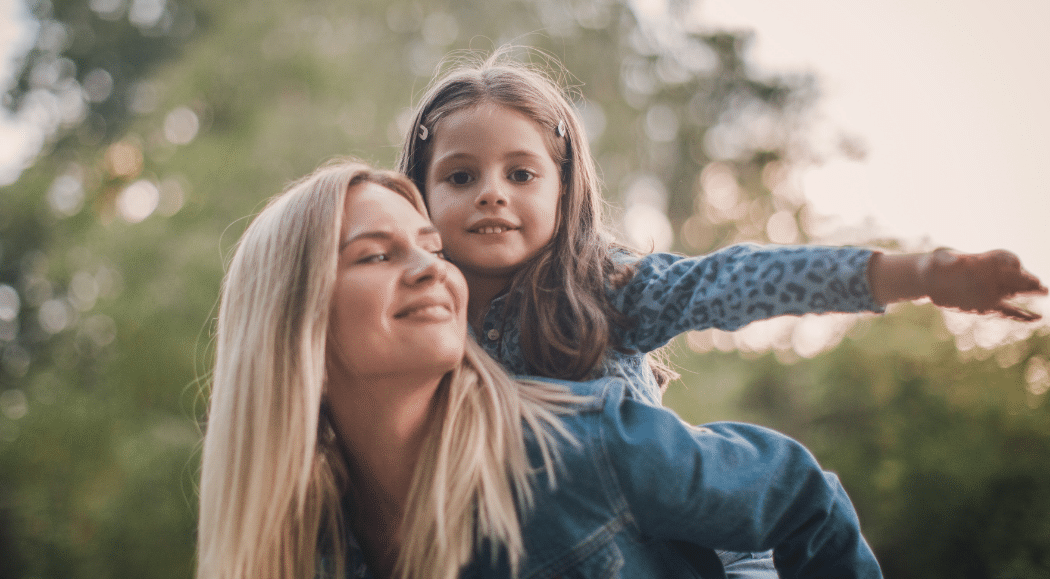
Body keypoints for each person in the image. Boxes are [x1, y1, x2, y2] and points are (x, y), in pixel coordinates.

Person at [395, 49, 1047, 577]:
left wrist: (917, 274)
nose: (491, 196)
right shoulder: (414, 328)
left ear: (565, 192)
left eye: (520, 174)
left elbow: (732, 282)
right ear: (417, 195)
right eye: (460, 177)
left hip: (702, 555)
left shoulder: (604, 287)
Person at [195, 160, 884, 579]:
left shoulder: (571, 447)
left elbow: (799, 496)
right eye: (376, 255)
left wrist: (894, 274)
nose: (431, 270)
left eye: (431, 248)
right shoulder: (315, 544)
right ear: (293, 323)